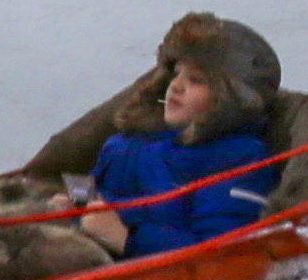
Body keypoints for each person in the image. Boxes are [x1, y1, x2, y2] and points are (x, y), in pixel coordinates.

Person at [71, 35, 283, 258]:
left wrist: (125, 238)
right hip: (84, 249)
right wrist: (71, 207)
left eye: (196, 80)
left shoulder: (239, 157)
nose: (175, 86)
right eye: (176, 74)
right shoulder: (128, 141)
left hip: (141, 276)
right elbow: (93, 196)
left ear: (231, 99)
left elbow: (222, 250)